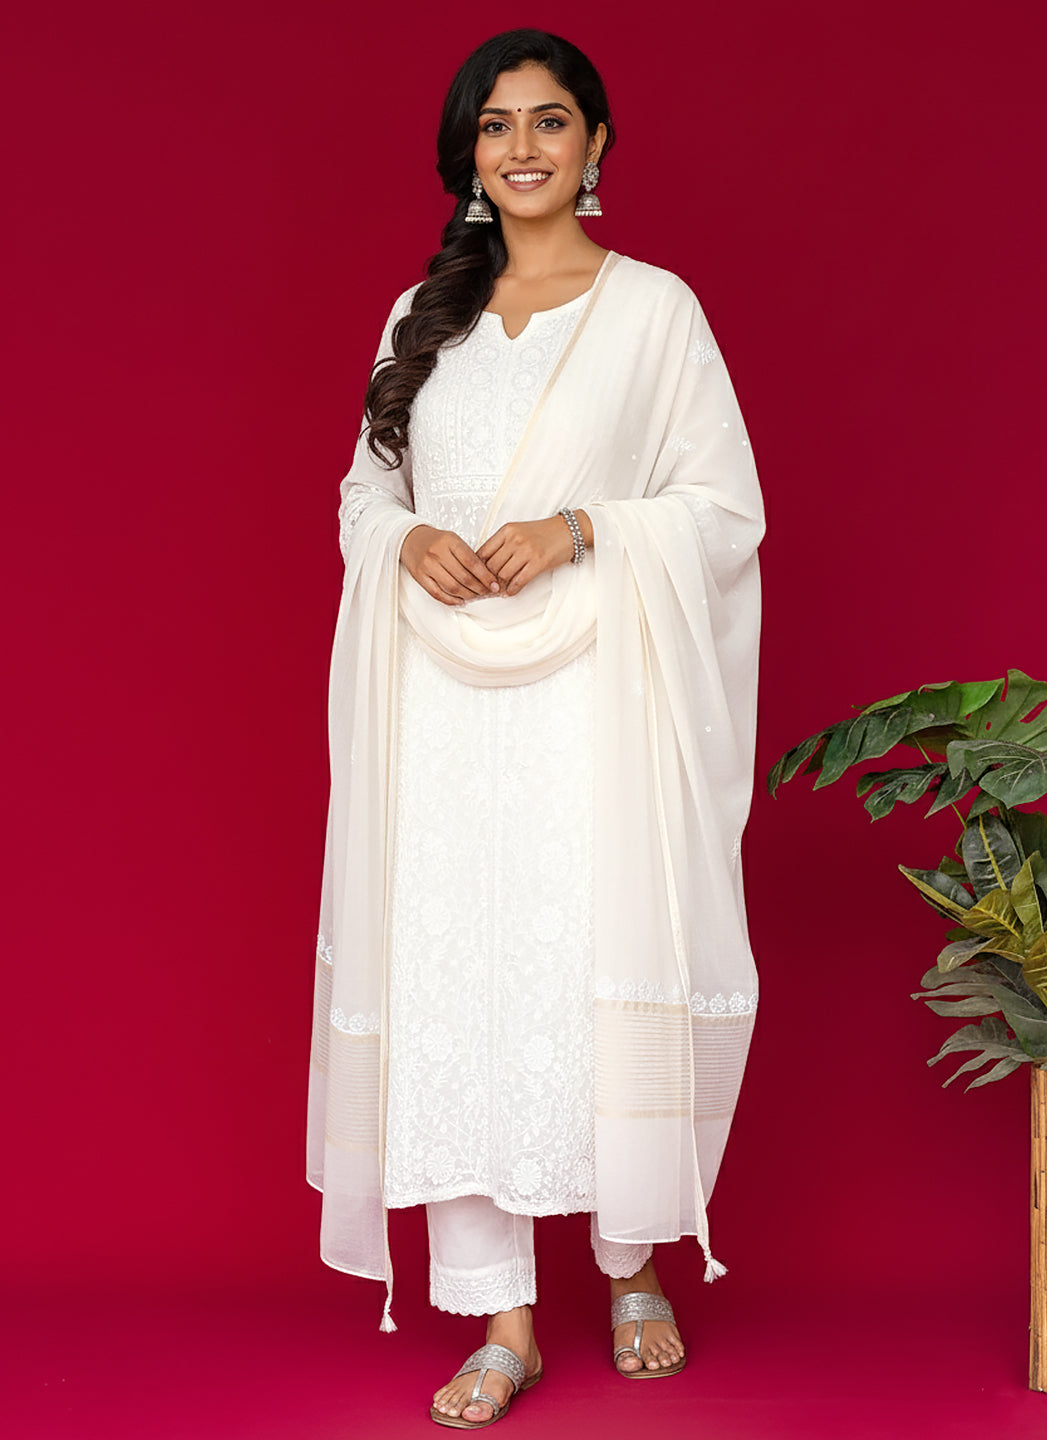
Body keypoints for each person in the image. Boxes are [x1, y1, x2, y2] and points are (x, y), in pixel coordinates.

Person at [306, 27, 765, 1429]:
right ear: (468, 154)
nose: (522, 148)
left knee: (596, 954)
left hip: (597, 703)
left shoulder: (654, 313)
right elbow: (362, 493)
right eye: (495, 126)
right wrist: (400, 549)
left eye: (549, 122)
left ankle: (630, 1263)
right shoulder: (421, 313)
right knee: (462, 976)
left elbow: (723, 511)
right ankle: (500, 1312)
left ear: (598, 145)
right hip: (444, 708)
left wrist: (581, 528)